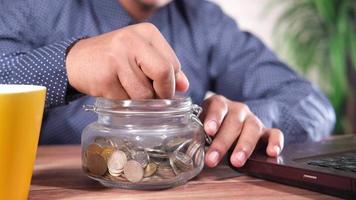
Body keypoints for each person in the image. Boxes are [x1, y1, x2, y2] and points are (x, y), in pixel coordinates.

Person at [0, 0, 335, 168]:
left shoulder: (203, 19)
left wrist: (254, 120)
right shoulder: (32, 7)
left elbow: (311, 103)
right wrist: (67, 62)